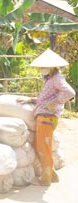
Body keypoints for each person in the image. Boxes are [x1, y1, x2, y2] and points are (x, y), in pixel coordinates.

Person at [18, 49, 75, 186]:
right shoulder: (50, 79)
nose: (41, 69)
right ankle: (52, 174)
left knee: (44, 148)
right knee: (41, 146)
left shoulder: (56, 79)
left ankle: (46, 179)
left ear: (50, 67)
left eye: (43, 67)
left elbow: (70, 92)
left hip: (46, 118)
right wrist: (31, 100)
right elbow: (45, 98)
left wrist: (53, 102)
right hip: (44, 117)